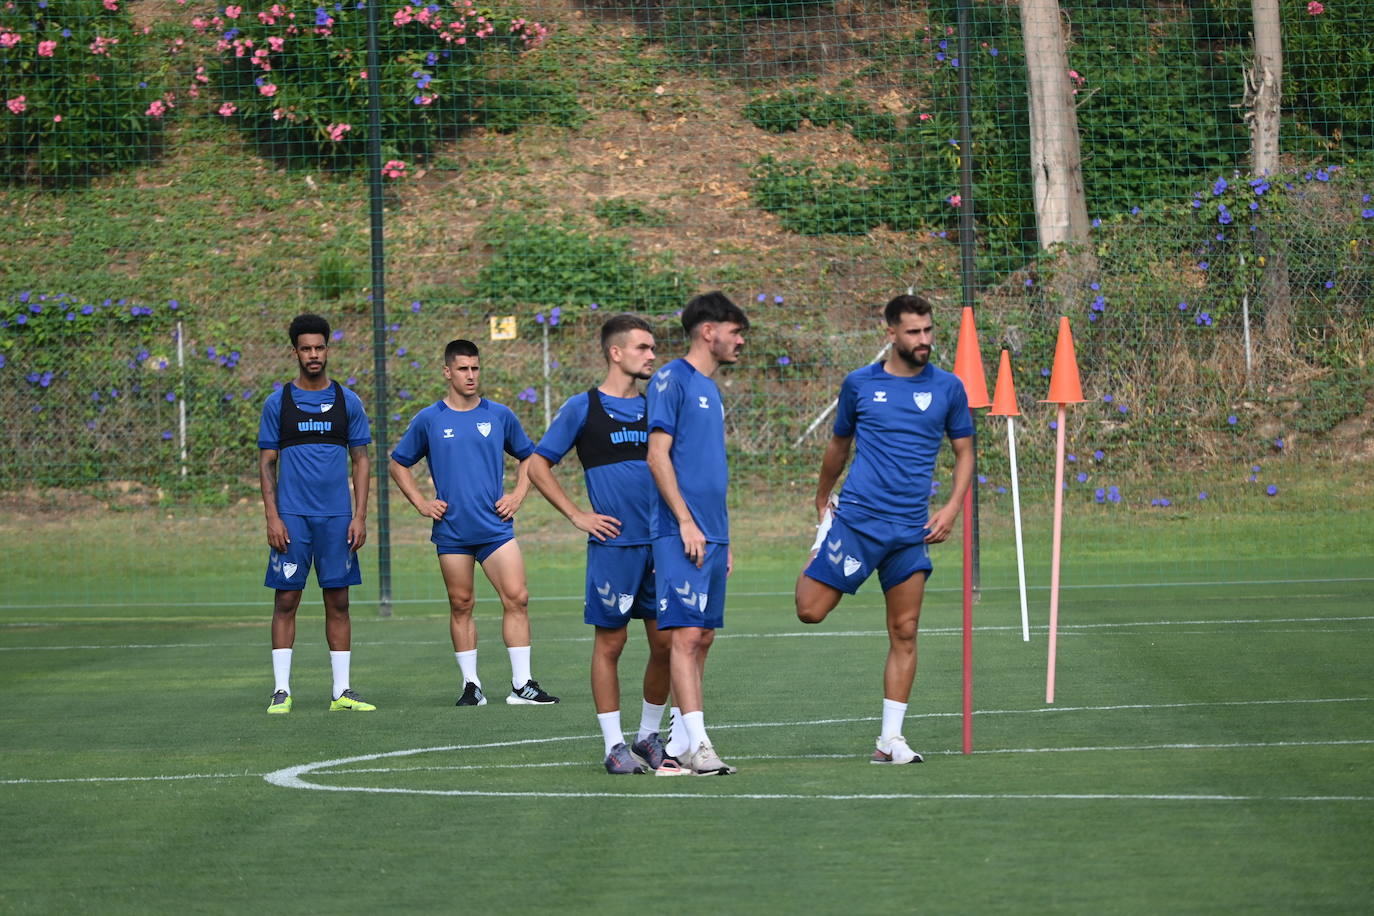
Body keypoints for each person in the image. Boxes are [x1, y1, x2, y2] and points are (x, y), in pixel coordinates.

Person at [794, 293, 974, 764]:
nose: (924, 340)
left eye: (929, 330)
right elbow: (838, 444)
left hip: (910, 531)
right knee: (809, 611)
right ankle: (820, 551)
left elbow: (965, 453)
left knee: (906, 630)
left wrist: (952, 508)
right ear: (890, 333)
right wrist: (821, 496)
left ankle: (890, 739)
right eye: (914, 332)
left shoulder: (948, 388)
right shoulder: (859, 385)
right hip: (857, 523)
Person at [528, 314, 684, 775]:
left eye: (653, 348)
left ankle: (647, 737)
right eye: (643, 348)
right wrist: (577, 515)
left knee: (665, 644)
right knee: (611, 644)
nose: (652, 355)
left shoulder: (658, 406)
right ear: (616, 353)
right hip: (614, 548)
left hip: (661, 545)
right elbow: (538, 466)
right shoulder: (584, 408)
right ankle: (613, 745)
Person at [389, 338, 558, 707]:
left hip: (495, 529)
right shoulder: (429, 419)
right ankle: (472, 686)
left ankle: (522, 684)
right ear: (447, 372)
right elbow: (398, 463)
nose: (470, 375)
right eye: (463, 369)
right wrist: (421, 502)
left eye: (475, 368)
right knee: (461, 604)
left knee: (518, 598)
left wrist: (517, 495)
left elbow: (531, 458)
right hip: (452, 532)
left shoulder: (499, 415)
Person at [646, 291, 749, 776]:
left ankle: (685, 741)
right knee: (685, 637)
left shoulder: (711, 389)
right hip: (677, 531)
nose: (740, 341)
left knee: (702, 636)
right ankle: (699, 743)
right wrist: (686, 521)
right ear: (708, 331)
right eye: (735, 331)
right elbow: (657, 455)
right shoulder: (672, 379)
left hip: (713, 536)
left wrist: (723, 538)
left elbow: (710, 470)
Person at [258, 313, 375, 714]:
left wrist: (359, 516)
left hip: (336, 520)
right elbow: (266, 463)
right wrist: (273, 517)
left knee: (338, 601)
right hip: (292, 518)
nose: (313, 354)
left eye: (319, 347)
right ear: (294, 352)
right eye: (305, 348)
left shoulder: (348, 401)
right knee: (287, 599)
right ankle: (281, 691)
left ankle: (341, 692)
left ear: (328, 349)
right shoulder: (279, 403)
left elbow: (361, 460)